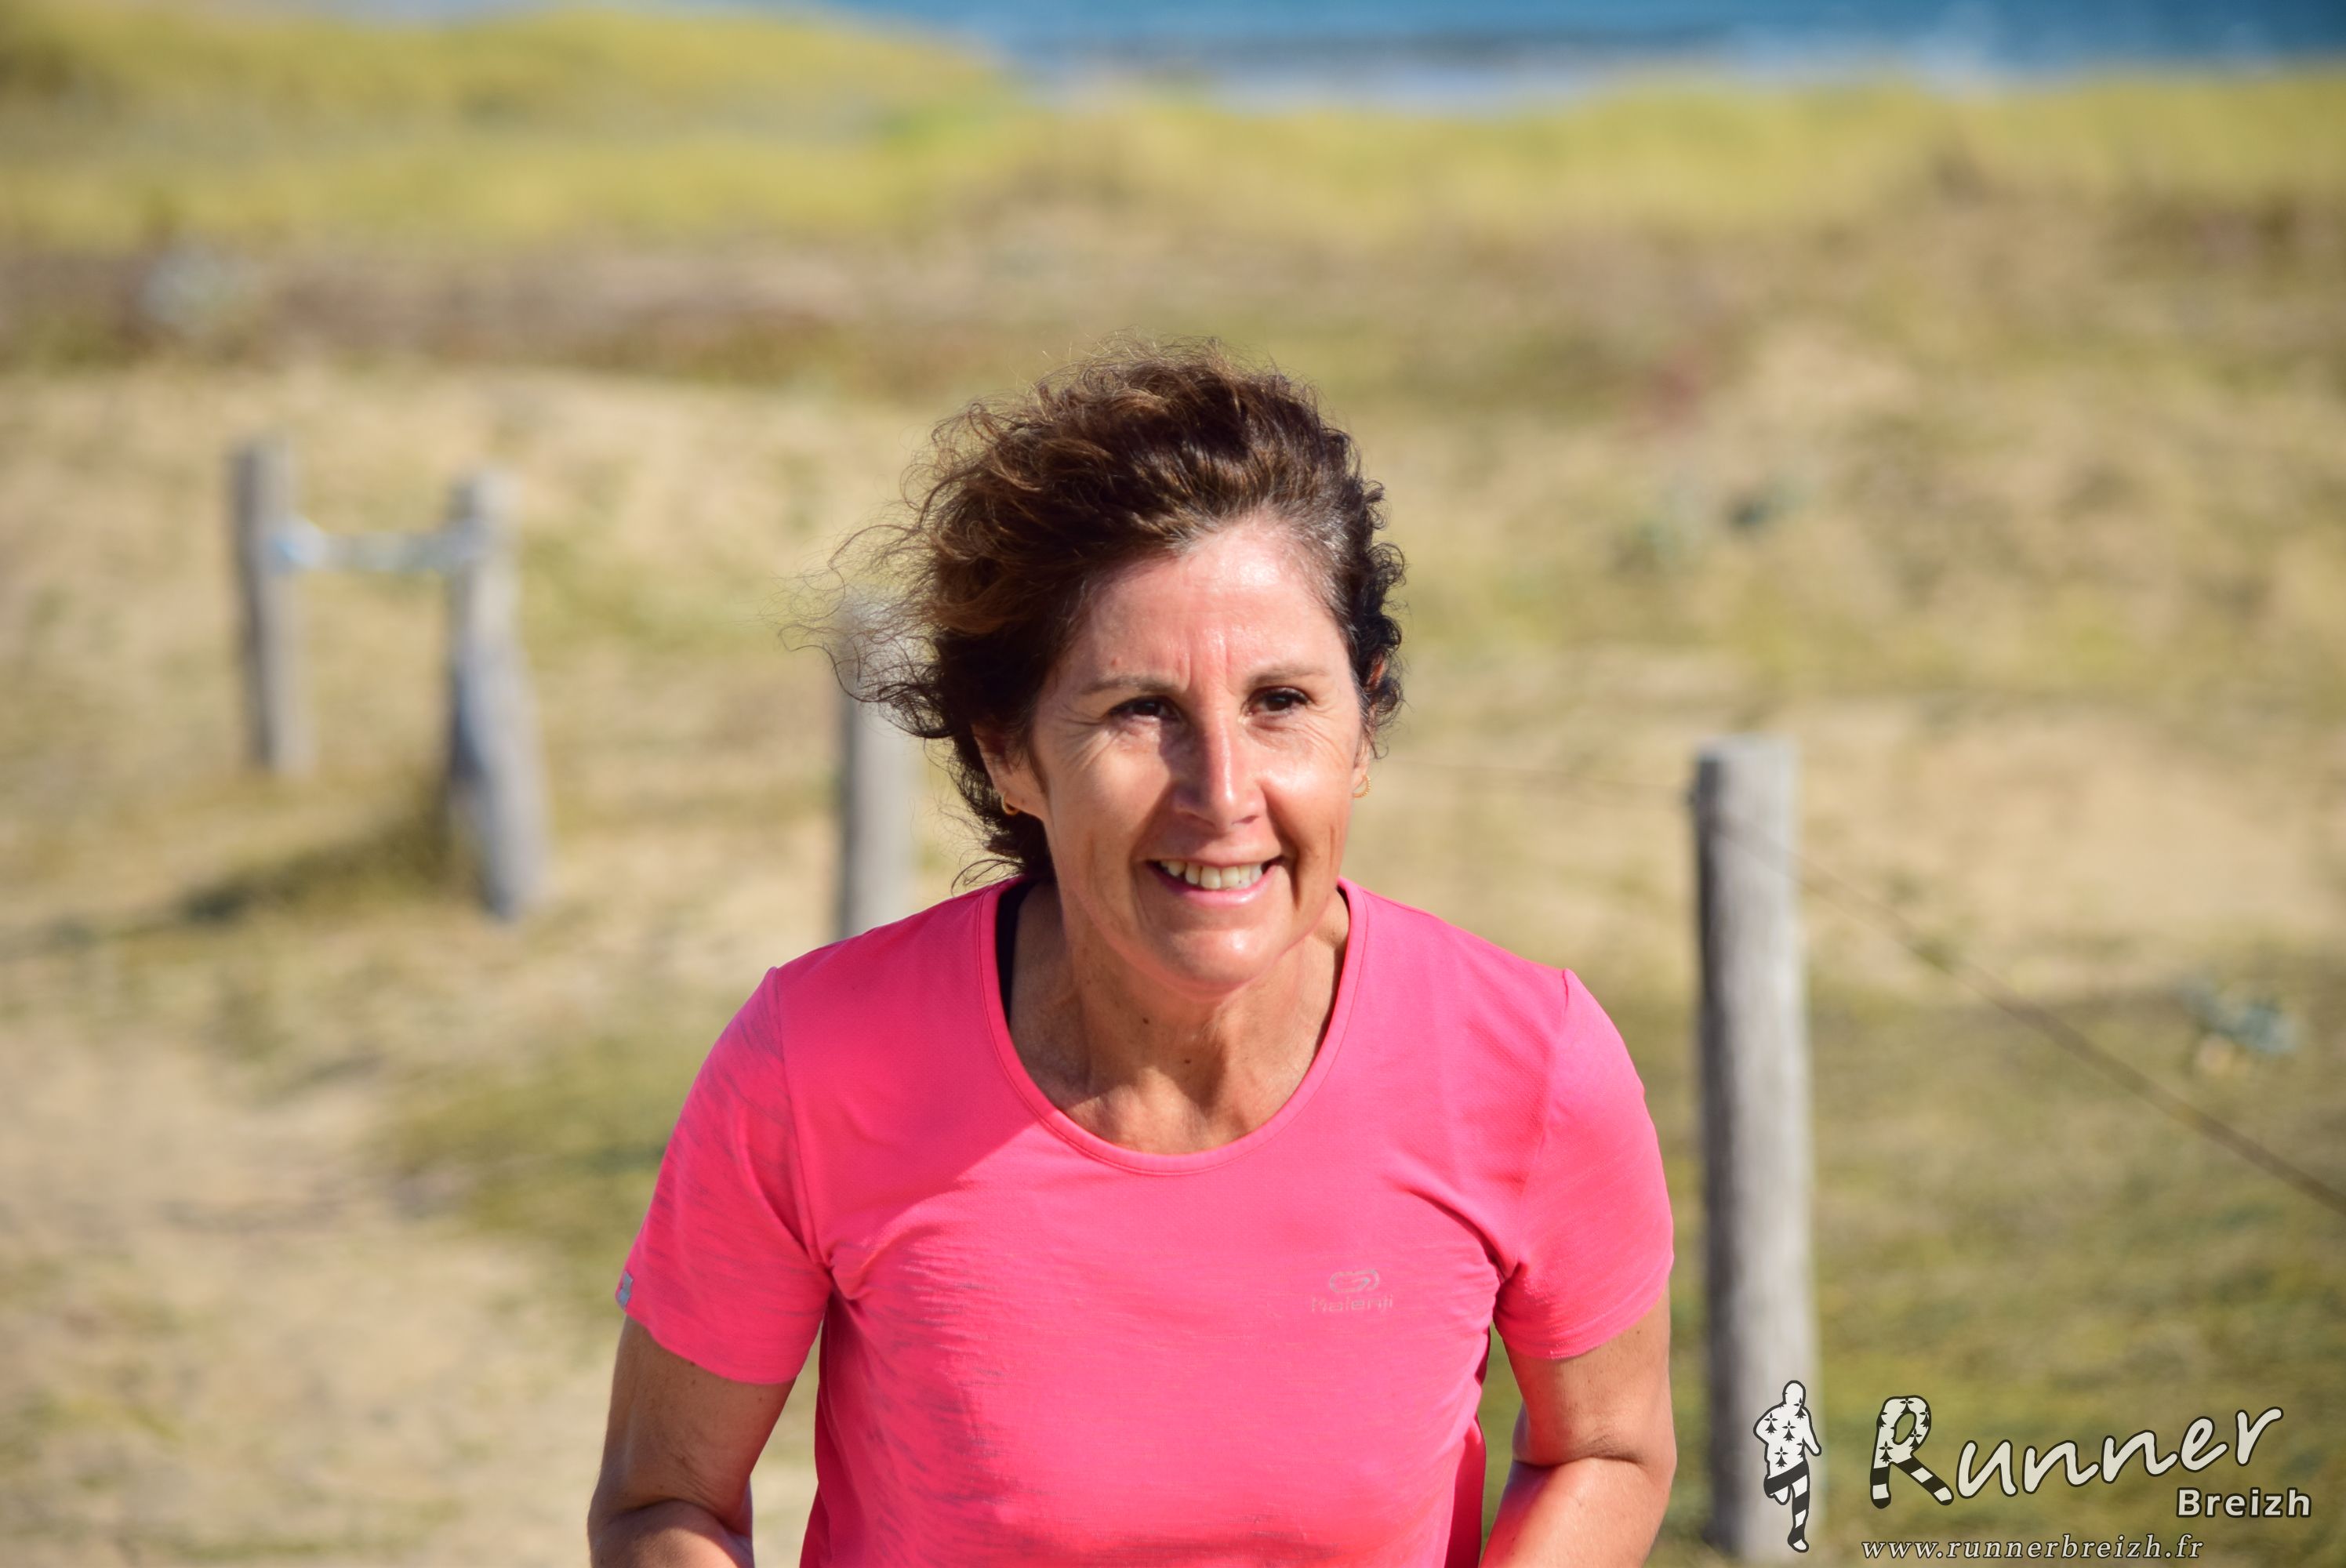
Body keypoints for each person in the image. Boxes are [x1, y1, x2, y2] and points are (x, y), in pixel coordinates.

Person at [586, 341, 1677, 1566]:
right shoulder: (816, 1063)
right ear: (1009, 753)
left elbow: (1605, 1448)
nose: (1223, 794)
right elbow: (661, 1503)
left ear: (1365, 723)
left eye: (1281, 702)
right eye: (1141, 710)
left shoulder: (1530, 1067)